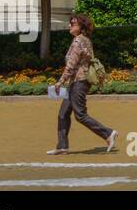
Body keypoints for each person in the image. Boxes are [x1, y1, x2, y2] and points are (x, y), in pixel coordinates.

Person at [46, 13, 117, 155]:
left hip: (79, 82)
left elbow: (71, 66)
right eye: (70, 23)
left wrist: (60, 82)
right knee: (63, 114)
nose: (69, 26)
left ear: (80, 27)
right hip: (77, 82)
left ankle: (108, 133)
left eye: (73, 24)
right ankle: (62, 146)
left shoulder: (78, 42)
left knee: (80, 115)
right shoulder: (86, 40)